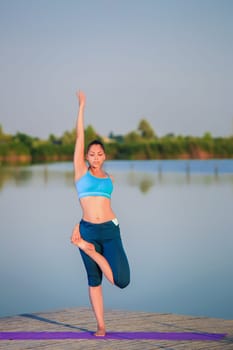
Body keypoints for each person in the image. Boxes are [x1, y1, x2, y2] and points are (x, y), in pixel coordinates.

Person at [71, 91, 130, 336]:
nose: (95, 157)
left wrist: (86, 245)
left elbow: (101, 206)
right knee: (94, 280)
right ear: (86, 156)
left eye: (100, 154)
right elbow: (80, 136)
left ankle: (88, 250)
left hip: (110, 230)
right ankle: (101, 325)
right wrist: (82, 107)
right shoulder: (80, 173)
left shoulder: (109, 178)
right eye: (91, 154)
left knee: (122, 280)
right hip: (88, 231)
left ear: (104, 156)